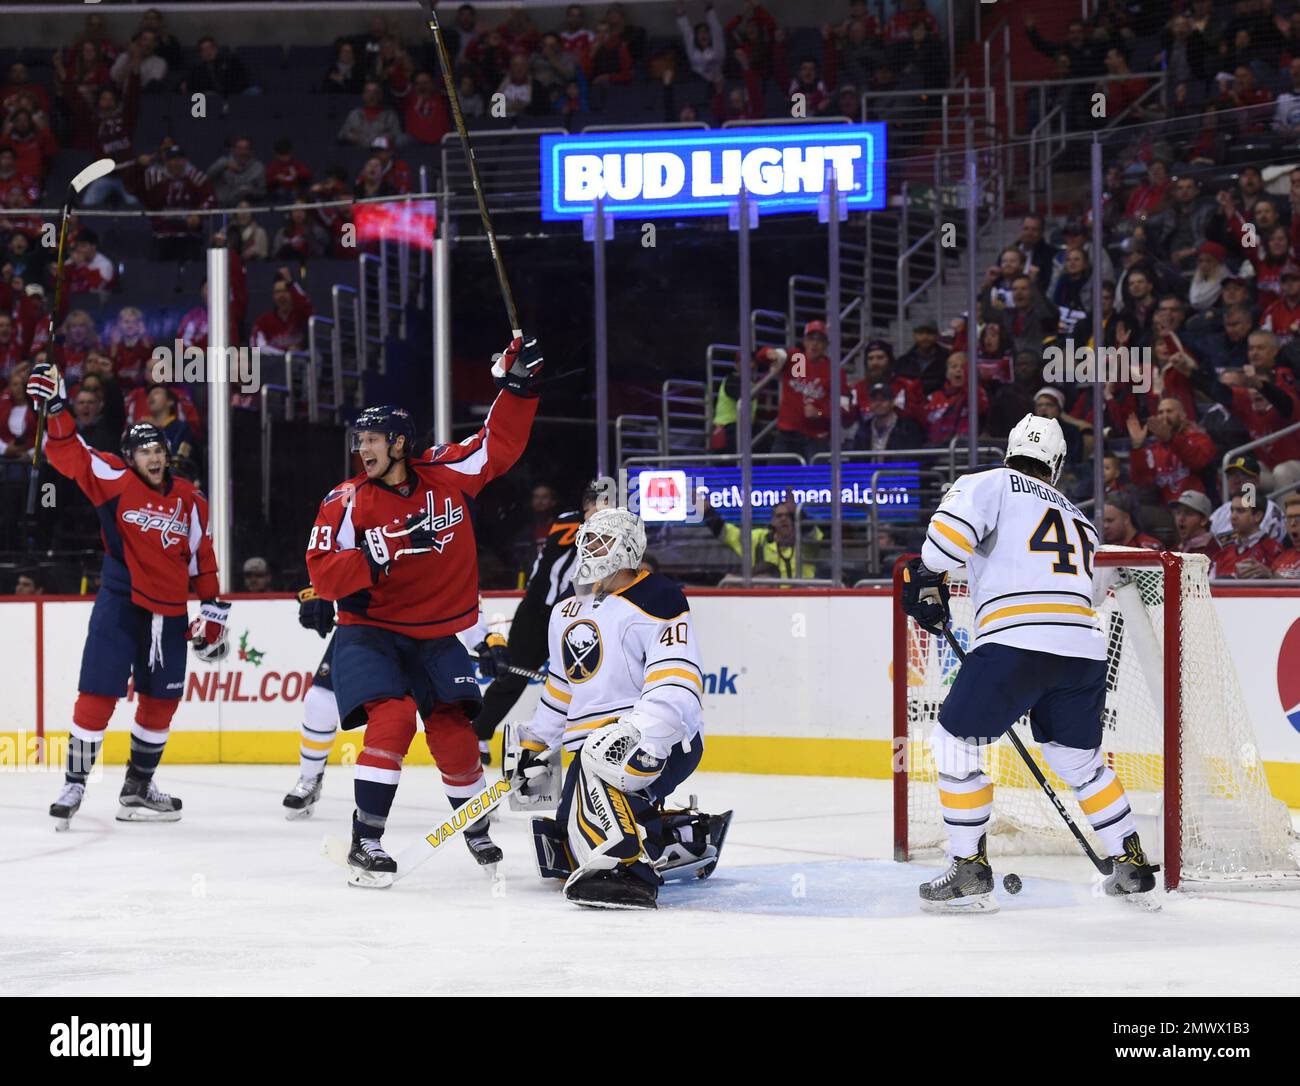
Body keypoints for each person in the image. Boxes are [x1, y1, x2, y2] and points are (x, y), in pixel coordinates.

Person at [305, 336, 542, 886]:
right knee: (391, 719)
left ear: (400, 442)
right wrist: (375, 551)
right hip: (369, 632)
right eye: (359, 439)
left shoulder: (444, 473)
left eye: (373, 439)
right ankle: (367, 841)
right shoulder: (345, 501)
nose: (363, 449)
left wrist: (517, 389)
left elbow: (496, 445)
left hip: (436, 634)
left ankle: (475, 824)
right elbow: (321, 573)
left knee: (454, 726)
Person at [900, 413, 1159, 911]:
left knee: (954, 746)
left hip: (1015, 641)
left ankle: (969, 869)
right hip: (1083, 652)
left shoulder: (989, 483)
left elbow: (944, 544)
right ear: (1056, 465)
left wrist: (926, 576)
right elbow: (1096, 590)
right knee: (1078, 761)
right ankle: (1130, 859)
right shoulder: (1080, 518)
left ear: (1009, 451)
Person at [26, 361, 228, 828]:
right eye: (144, 451)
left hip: (171, 613)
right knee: (97, 694)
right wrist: (56, 406)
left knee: (161, 702)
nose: (154, 456)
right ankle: (74, 782)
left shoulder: (191, 499)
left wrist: (214, 609)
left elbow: (202, 558)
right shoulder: (113, 477)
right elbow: (68, 452)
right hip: (120, 604)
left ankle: (137, 788)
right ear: (129, 457)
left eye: (157, 448)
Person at [505, 507, 731, 909]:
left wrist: (644, 732)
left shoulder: (659, 597)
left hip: (655, 738)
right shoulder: (565, 611)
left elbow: (676, 680)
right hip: (587, 750)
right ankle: (685, 838)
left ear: (627, 548)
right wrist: (535, 745)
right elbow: (562, 689)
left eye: (600, 541)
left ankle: (629, 872)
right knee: (563, 847)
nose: (589, 550)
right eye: (585, 541)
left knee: (598, 796)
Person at [475, 481, 605, 763]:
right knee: (514, 675)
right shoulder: (569, 522)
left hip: (581, 616)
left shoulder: (612, 531)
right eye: (593, 503)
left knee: (585, 682)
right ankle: (478, 732)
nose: (597, 509)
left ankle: (583, 741)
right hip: (539, 612)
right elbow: (556, 564)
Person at [697, 496, 820, 579]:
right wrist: (707, 512)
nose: (784, 519)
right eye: (779, 516)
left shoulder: (806, 542)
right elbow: (726, 533)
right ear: (772, 521)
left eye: (788, 516)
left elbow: (811, 532)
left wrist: (800, 513)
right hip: (764, 600)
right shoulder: (758, 539)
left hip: (802, 599)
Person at [1213, 491, 1283, 578]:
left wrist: (1270, 575)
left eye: (1240, 511)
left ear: (1257, 516)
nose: (1233, 516)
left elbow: (1289, 585)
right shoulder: (1224, 551)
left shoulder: (1273, 550)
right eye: (1232, 510)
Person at [1170, 490, 1221, 559]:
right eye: (1178, 512)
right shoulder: (1178, 547)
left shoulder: (1210, 551)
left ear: (1203, 520)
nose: (1180, 518)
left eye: (1188, 513)